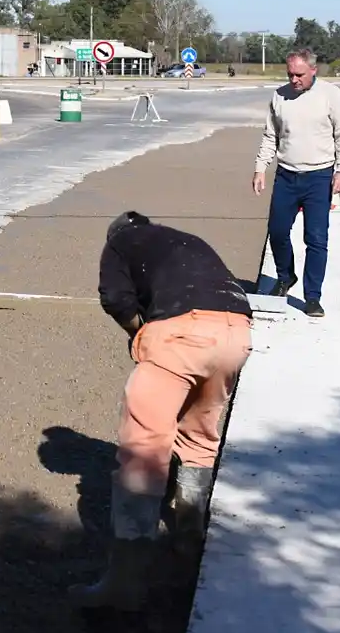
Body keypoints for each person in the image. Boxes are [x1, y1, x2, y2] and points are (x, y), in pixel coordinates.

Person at [70, 211, 253, 610]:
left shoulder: (119, 242)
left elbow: (115, 298)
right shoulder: (183, 239)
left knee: (144, 449)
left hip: (182, 332)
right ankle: (188, 551)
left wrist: (140, 332)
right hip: (237, 331)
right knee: (200, 438)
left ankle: (124, 587)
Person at [251, 48, 340, 318]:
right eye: (290, 74)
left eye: (299, 75)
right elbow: (270, 136)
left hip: (319, 177)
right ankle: (286, 276)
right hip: (286, 175)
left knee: (316, 239)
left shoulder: (331, 96)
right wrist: (260, 168)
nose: (294, 80)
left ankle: (312, 297)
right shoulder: (280, 96)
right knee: (278, 231)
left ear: (313, 70)